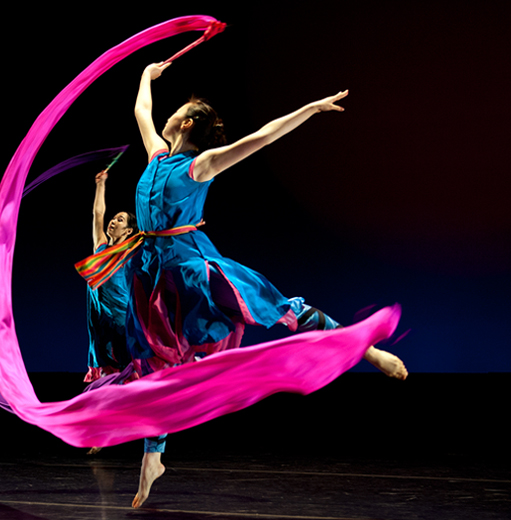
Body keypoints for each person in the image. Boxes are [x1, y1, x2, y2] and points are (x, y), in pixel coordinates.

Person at [124, 61, 408, 508]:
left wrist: (310, 109)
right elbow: (142, 110)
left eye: (176, 110)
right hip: (152, 274)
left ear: (188, 122)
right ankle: (153, 458)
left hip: (191, 268)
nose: (167, 114)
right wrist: (146, 73)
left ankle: (365, 349)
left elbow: (261, 138)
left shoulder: (201, 165)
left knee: (280, 308)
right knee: (156, 363)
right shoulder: (156, 155)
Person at [84, 169, 136, 384]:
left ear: (128, 231)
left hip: (121, 316)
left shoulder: (131, 252)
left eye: (120, 220)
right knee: (108, 367)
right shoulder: (101, 248)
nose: (113, 221)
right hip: (100, 319)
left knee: (129, 364)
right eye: (114, 218)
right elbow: (98, 215)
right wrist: (100, 185)